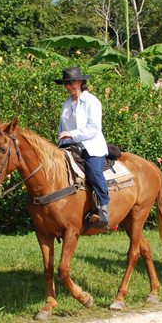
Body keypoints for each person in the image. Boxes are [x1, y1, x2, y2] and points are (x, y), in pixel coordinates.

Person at [56, 66, 110, 229]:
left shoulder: (92, 101)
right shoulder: (66, 103)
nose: (68, 86)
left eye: (71, 82)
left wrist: (71, 134)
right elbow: (61, 128)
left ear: (80, 82)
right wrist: (61, 144)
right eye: (66, 83)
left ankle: (103, 207)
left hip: (91, 146)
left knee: (93, 172)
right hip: (69, 146)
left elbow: (94, 128)